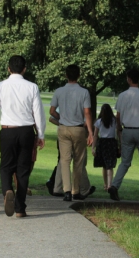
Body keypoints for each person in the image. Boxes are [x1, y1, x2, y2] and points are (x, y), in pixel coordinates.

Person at [0, 55, 46, 217]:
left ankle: (7, 190)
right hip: (26, 131)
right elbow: (38, 112)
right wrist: (40, 134)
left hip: (7, 130)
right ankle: (20, 208)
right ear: (24, 69)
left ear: (8, 68)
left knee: (6, 167)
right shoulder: (32, 87)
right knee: (23, 170)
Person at [108, 68, 139, 202]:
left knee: (125, 162)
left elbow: (118, 116)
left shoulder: (122, 96)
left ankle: (115, 185)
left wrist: (119, 131)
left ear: (129, 79)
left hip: (126, 130)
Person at [50, 64, 94, 202]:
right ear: (79, 75)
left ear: (66, 75)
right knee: (78, 161)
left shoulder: (59, 91)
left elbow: (52, 111)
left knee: (64, 160)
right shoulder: (84, 92)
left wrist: (61, 117)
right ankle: (76, 191)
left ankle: (66, 191)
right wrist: (91, 132)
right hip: (78, 128)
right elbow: (87, 112)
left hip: (63, 128)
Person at [92, 104, 119, 191]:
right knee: (109, 166)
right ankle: (110, 185)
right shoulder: (114, 121)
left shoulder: (98, 121)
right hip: (111, 143)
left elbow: (95, 135)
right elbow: (118, 132)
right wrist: (120, 145)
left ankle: (105, 184)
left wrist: (93, 147)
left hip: (102, 143)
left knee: (104, 165)